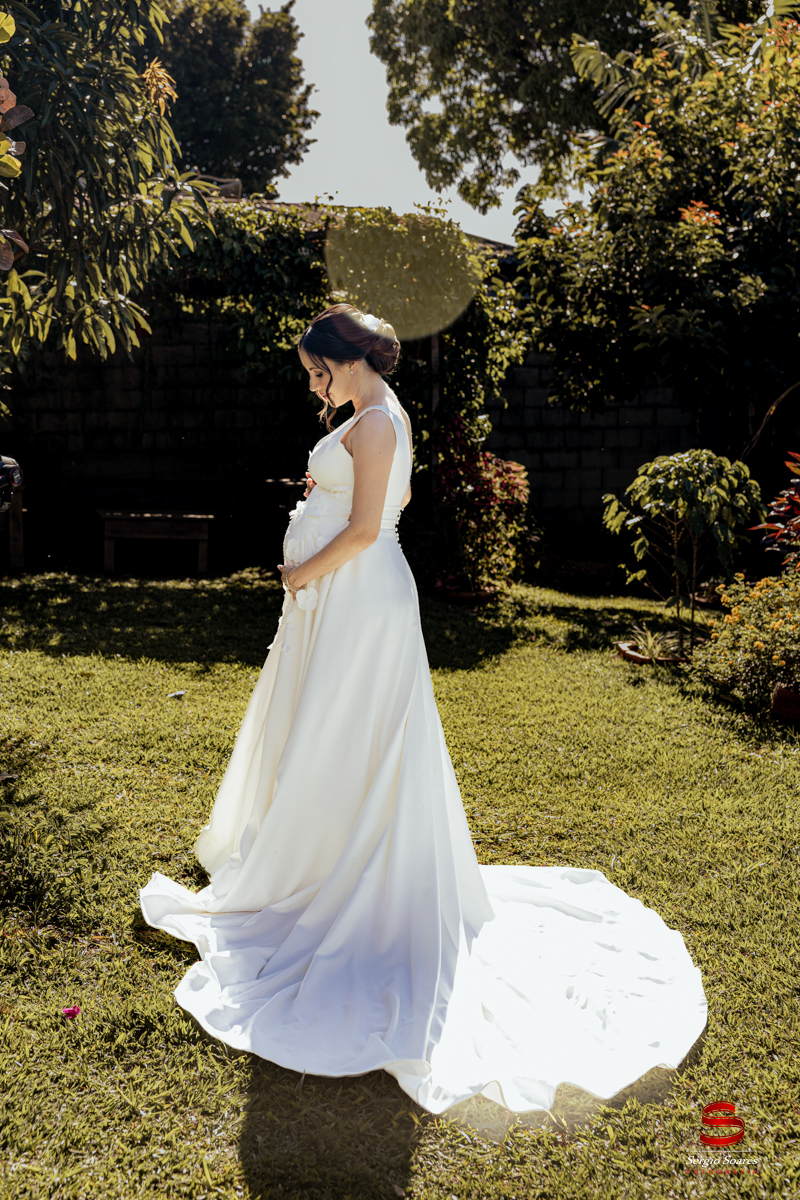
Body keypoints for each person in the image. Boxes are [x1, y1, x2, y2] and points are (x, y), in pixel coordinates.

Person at [140, 304, 706, 1116]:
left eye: (316, 372)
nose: (314, 386)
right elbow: (380, 498)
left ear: (343, 359)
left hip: (356, 597)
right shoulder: (376, 417)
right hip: (346, 596)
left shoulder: (377, 420)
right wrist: (323, 502)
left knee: (346, 732)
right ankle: (324, 852)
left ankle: (342, 873)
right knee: (336, 734)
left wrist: (300, 572)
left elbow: (367, 529)